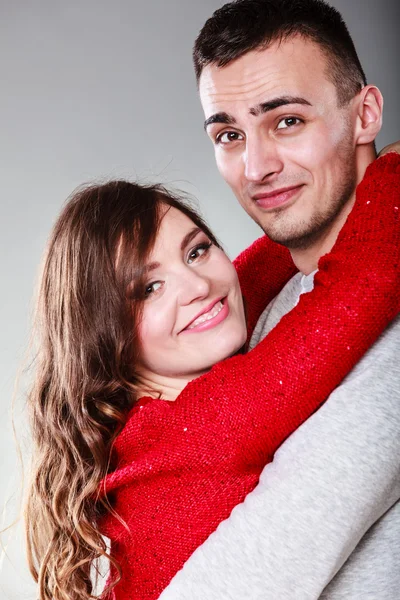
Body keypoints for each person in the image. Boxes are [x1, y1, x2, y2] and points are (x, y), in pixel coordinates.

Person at [24, 151, 399, 600]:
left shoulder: (146, 430)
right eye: (149, 288)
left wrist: (342, 181)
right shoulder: (208, 423)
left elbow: (255, 271)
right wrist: (388, 170)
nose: (198, 286)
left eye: (198, 250)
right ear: (104, 338)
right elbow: (369, 276)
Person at [157, 0, 400, 598]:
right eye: (229, 134)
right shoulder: (253, 313)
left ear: (364, 113)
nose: (257, 166)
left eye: (287, 121)